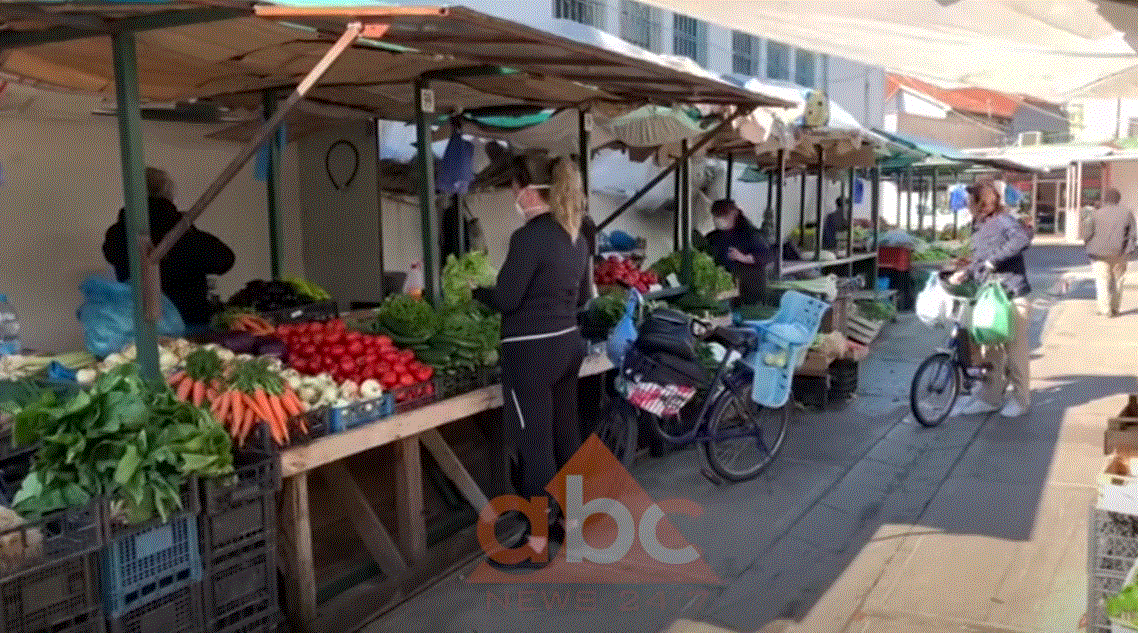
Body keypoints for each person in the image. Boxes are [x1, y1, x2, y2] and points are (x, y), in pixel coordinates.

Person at [472, 151, 590, 566]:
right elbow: (586, 297)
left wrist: (476, 291)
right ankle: (571, 528)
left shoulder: (529, 238)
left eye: (514, 188)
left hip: (531, 354)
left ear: (527, 191)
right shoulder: (575, 232)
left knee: (535, 445)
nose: (513, 196)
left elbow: (506, 298)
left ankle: (536, 546)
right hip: (567, 345)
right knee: (566, 437)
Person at [103, 167, 234, 331]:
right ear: (169, 195)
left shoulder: (118, 233)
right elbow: (225, 260)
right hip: (188, 324)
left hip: (137, 328)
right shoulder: (180, 232)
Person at [949, 180, 1033, 418]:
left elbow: (1021, 239)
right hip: (989, 296)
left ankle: (1021, 399)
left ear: (981, 203)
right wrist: (966, 271)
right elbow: (981, 258)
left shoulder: (1004, 221)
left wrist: (991, 261)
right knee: (990, 352)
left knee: (1015, 351)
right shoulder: (979, 225)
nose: (967, 206)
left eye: (969, 201)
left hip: (1011, 296)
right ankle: (990, 398)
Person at [1085, 187, 1136, 317]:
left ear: (1105, 199)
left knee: (1102, 281)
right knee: (1118, 281)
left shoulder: (1096, 214)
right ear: (1118, 199)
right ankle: (1114, 308)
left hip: (1099, 254)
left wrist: (1088, 245)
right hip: (1120, 253)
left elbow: (1087, 233)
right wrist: (1128, 250)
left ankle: (1105, 309)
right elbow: (1133, 234)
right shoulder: (1127, 213)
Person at [706, 199, 768, 303]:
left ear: (734, 214)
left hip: (749, 291)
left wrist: (744, 258)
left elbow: (766, 255)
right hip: (723, 292)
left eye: (723, 215)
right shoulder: (712, 237)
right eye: (716, 215)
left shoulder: (750, 234)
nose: (719, 219)